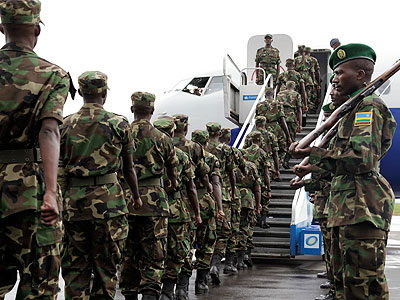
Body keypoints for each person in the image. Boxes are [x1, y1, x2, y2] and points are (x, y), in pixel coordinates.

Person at [291, 43, 397, 300]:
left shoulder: (369, 107)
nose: (335, 79)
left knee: (362, 287)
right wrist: (313, 167)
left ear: (360, 75)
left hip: (362, 208)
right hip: (346, 208)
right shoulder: (352, 110)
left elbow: (362, 158)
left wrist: (313, 154)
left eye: (340, 72)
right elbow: (339, 161)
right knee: (344, 285)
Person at [0, 1, 70, 298]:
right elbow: (49, 131)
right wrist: (51, 193)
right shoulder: (52, 75)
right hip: (31, 191)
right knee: (39, 284)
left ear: (2, 27)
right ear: (37, 29)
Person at [59, 71, 142, 300]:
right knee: (106, 267)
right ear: (104, 93)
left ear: (82, 93)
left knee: (75, 267)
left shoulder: (65, 124)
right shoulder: (119, 123)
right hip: (109, 204)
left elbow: (59, 168)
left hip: (74, 204)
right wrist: (136, 196)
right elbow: (129, 168)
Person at [120, 92, 178, 300]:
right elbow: (173, 171)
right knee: (154, 254)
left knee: (128, 251)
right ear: (152, 111)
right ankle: (150, 294)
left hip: (125, 201)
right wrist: (172, 183)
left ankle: (129, 294)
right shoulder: (162, 138)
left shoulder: (121, 133)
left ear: (132, 109)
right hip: (155, 202)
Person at [153, 117, 200, 300]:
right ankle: (175, 289)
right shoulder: (182, 155)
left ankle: (155, 291)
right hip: (176, 208)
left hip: (148, 207)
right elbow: (191, 187)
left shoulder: (140, 150)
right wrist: (196, 213)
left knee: (151, 251)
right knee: (178, 249)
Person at [172, 114, 210, 300]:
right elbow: (203, 176)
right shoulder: (194, 148)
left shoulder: (162, 143)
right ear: (186, 129)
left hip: (159, 200)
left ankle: (163, 290)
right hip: (185, 202)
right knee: (185, 245)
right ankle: (182, 288)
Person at [191, 129, 224, 295]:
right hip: (204, 203)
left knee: (184, 245)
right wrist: (220, 208)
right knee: (206, 243)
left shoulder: (181, 154)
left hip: (184, 202)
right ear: (205, 143)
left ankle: (180, 288)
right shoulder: (211, 159)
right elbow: (216, 184)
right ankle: (201, 282)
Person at [256, 87, 292, 169]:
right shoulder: (278, 104)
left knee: (266, 150)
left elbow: (257, 120)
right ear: (273, 95)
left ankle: (269, 168)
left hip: (264, 129)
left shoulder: (259, 105)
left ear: (265, 95)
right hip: (276, 128)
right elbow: (282, 120)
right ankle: (278, 167)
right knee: (282, 148)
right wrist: (288, 135)